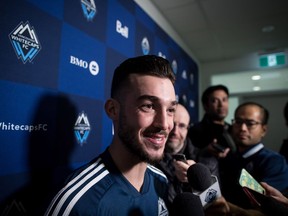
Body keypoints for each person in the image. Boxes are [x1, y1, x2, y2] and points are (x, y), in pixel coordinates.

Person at [45, 55, 178, 216]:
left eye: (170, 110)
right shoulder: (77, 203)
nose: (164, 124)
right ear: (113, 110)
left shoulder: (161, 180)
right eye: (148, 106)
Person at [219, 101, 288, 209]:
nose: (242, 128)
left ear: (263, 130)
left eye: (250, 123)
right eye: (238, 121)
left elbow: (263, 204)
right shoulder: (227, 157)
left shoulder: (275, 162)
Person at [156, 103, 197, 207]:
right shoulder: (147, 159)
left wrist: (196, 181)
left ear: (188, 129)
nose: (175, 131)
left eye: (182, 126)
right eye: (172, 124)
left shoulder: (205, 159)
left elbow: (213, 205)